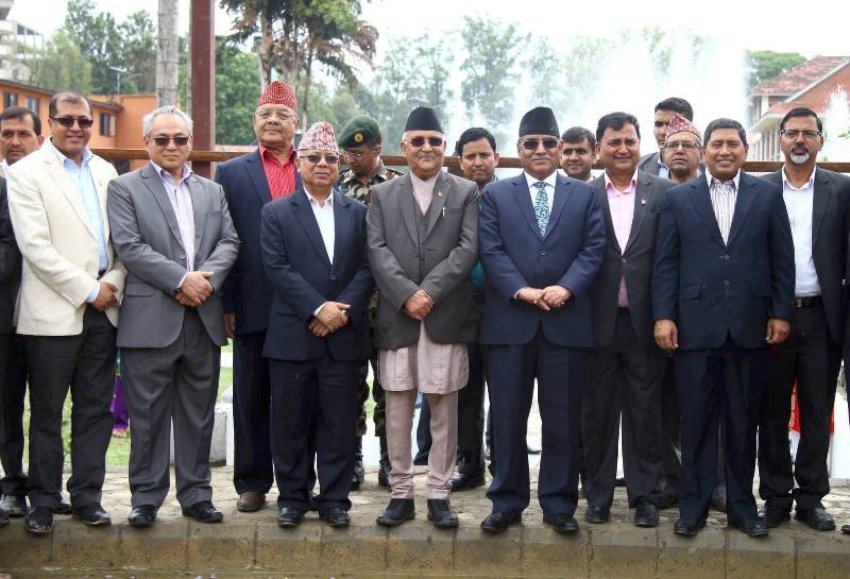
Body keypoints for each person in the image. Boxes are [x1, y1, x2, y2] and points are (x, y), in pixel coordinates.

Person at [653, 118, 794, 538]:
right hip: (695, 327)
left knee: (742, 424)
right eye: (717, 144)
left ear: (745, 150)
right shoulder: (679, 198)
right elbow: (666, 263)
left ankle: (741, 507)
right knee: (696, 422)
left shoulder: (767, 195)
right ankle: (693, 508)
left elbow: (781, 258)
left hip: (750, 327)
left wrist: (780, 312)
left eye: (733, 144)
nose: (725, 151)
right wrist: (664, 316)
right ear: (704, 152)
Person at [107, 105, 239, 528]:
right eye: (161, 139)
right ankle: (145, 498)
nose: (171, 146)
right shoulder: (125, 187)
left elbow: (229, 242)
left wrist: (205, 283)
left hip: (203, 317)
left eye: (180, 139)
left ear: (190, 143)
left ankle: (196, 494)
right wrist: (182, 280)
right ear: (147, 142)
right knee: (147, 416)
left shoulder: (212, 191)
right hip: (150, 320)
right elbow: (130, 246)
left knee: (198, 415)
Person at [478, 106, 606, 534]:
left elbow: (594, 249)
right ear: (519, 148)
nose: (540, 149)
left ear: (559, 147)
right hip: (510, 323)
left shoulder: (585, 195)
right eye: (530, 143)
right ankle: (506, 501)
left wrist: (567, 287)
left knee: (563, 420)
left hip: (565, 323)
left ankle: (558, 504)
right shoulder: (496, 195)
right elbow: (491, 250)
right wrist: (521, 289)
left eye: (548, 143)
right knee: (507, 418)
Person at [7, 92, 125, 535]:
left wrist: (113, 283)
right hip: (54, 310)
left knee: (95, 410)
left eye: (84, 121)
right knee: (46, 412)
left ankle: (87, 497)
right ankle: (42, 500)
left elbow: (122, 243)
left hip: (104, 308)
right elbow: (35, 248)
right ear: (50, 122)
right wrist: (89, 289)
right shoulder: (26, 173)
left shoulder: (106, 171)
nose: (76, 128)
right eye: (67, 120)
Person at [367, 106, 478, 529]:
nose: (426, 147)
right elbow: (376, 250)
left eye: (434, 140)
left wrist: (428, 292)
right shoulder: (382, 194)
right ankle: (400, 493)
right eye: (418, 140)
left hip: (443, 315)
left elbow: (468, 249)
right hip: (399, 317)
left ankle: (438, 493)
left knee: (443, 406)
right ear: (404, 146)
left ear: (445, 146)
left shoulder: (465, 192)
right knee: (397, 406)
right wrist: (406, 295)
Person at [260, 121, 372, 528]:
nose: (322, 164)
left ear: (339, 164)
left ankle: (335, 499)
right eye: (313, 157)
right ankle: (293, 498)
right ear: (299, 163)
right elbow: (277, 267)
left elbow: (367, 268)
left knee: (339, 423)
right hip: (294, 335)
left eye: (330, 158)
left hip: (343, 336)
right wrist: (317, 308)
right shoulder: (276, 212)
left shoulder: (359, 213)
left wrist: (339, 313)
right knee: (290, 423)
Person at [757, 107, 850, 531]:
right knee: (771, 412)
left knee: (816, 410)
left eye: (807, 134)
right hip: (771, 318)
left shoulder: (841, 189)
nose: (799, 140)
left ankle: (811, 498)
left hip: (821, 316)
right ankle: (775, 496)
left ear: (820, 141)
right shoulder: (760, 189)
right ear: (780, 140)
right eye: (791, 133)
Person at [215, 81, 301, 513]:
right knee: (251, 394)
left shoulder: (315, 165)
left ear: (295, 123)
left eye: (281, 115)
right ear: (254, 121)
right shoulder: (231, 173)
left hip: (304, 302)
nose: (272, 121)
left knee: (296, 396)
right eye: (265, 113)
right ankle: (251, 481)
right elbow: (224, 239)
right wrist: (228, 302)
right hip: (251, 298)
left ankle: (295, 481)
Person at [583, 112, 672, 528]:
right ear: (598, 148)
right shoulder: (582, 195)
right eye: (614, 142)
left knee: (645, 413)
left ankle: (646, 496)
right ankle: (598, 496)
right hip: (595, 324)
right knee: (597, 415)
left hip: (645, 324)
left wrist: (666, 316)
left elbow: (670, 261)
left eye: (630, 141)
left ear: (640, 145)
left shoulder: (663, 193)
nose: (623, 149)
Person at [0, 106, 61, 520]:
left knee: (47, 408)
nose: (15, 141)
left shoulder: (51, 180)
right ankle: (12, 485)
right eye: (7, 134)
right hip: (5, 317)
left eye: (23, 133)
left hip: (49, 312)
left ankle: (46, 488)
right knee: (7, 406)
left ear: (40, 138)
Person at [337, 114, 403, 489]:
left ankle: (390, 459)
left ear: (378, 148)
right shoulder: (336, 185)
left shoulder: (397, 185)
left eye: (358, 152)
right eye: (347, 152)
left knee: (389, 386)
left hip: (388, 305)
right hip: (348, 304)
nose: (351, 158)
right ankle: (354, 458)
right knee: (350, 386)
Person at [448, 127, 499, 491]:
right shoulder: (451, 199)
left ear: (496, 157)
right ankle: (470, 463)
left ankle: (503, 460)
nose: (478, 162)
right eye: (471, 156)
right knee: (465, 388)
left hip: (503, 306)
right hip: (461, 306)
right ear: (460, 162)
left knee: (505, 388)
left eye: (485, 155)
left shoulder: (511, 196)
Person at [638, 97, 694, 178]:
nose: (662, 132)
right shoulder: (638, 168)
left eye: (670, 125)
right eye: (658, 124)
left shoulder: (707, 171)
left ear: (690, 128)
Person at [661, 114, 703, 184]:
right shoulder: (652, 189)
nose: (679, 150)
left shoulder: (712, 188)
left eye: (687, 145)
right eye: (673, 145)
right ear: (663, 155)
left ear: (701, 155)